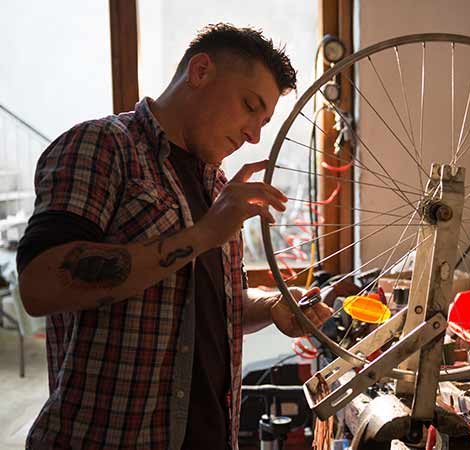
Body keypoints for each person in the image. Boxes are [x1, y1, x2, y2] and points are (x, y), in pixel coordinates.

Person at [16, 23, 331, 450]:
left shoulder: (217, 187)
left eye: (263, 121)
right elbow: (41, 284)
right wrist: (203, 234)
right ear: (200, 71)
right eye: (249, 105)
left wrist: (275, 305)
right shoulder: (103, 146)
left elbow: (217, 300)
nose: (253, 135)